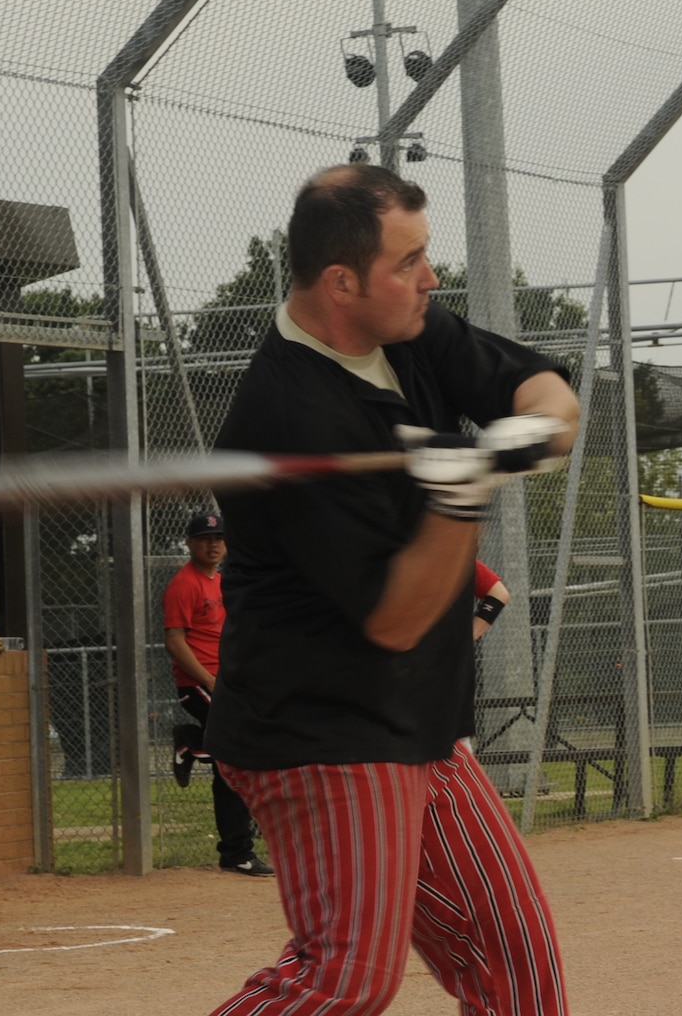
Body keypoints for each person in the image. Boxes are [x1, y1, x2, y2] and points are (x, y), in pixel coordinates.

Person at [207, 165, 580, 1016]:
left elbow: (551, 397)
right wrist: (461, 495)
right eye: (409, 261)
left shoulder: (406, 327)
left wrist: (523, 431)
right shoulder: (288, 417)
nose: (430, 277)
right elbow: (400, 616)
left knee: (517, 968)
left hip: (418, 725)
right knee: (345, 979)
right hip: (322, 729)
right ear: (342, 282)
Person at [163, 512, 273, 878]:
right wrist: (208, 681)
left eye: (219, 538)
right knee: (235, 760)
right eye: (205, 538)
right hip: (201, 684)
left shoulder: (221, 582)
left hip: (228, 682)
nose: (213, 544)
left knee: (241, 756)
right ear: (189, 543)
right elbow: (174, 640)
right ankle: (237, 851)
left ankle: (192, 743)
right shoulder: (185, 584)